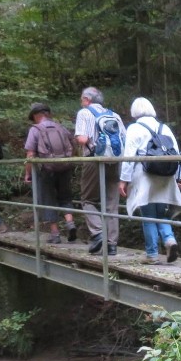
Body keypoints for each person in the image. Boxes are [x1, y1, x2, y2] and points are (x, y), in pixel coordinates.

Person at [118, 97, 181, 264]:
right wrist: (179, 177)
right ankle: (169, 240)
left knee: (148, 215)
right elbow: (177, 154)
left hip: (145, 175)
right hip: (165, 176)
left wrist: (123, 180)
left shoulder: (134, 128)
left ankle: (152, 255)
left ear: (134, 111)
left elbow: (129, 156)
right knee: (161, 212)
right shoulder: (164, 128)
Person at [74, 87, 125, 255]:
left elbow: (82, 138)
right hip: (115, 161)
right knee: (112, 204)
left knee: (88, 199)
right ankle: (112, 245)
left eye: (82, 99)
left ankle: (97, 232)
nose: (81, 102)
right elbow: (124, 138)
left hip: (94, 160)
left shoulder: (84, 113)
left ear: (87, 99)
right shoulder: (114, 115)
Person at [24, 103, 77, 244]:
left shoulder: (35, 129)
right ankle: (70, 223)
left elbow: (30, 154)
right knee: (65, 197)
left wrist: (28, 173)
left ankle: (55, 234)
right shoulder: (61, 127)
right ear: (48, 114)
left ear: (36, 116)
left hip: (47, 170)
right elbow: (73, 144)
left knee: (48, 200)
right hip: (65, 167)